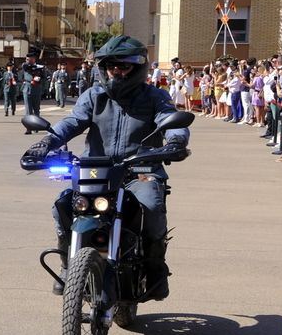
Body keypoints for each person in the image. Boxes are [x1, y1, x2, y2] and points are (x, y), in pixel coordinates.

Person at [25, 35, 189, 299]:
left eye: (123, 66)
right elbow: (73, 121)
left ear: (138, 68)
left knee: (152, 205)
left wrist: (176, 140)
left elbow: (171, 120)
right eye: (112, 66)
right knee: (63, 206)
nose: (117, 71)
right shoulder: (94, 96)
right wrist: (47, 142)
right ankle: (69, 266)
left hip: (140, 171)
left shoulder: (154, 96)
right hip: (95, 172)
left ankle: (156, 266)